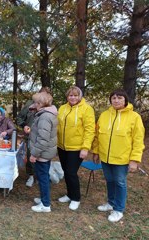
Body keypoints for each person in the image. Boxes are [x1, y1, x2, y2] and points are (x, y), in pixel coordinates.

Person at [92, 89, 144, 223]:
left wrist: (134, 160)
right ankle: (110, 203)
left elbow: (138, 140)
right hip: (105, 157)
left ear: (125, 100)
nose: (116, 100)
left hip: (122, 158)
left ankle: (118, 210)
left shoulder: (134, 117)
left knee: (120, 182)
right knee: (109, 180)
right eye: (113, 98)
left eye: (119, 98)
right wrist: (96, 152)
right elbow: (98, 135)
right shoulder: (104, 115)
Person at [57, 86, 95, 210]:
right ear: (67, 96)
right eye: (70, 95)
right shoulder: (63, 108)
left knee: (71, 172)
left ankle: (76, 198)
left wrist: (85, 148)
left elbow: (90, 130)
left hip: (77, 147)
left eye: (75, 95)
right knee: (65, 171)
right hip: (62, 146)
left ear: (80, 96)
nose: (72, 98)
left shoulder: (87, 109)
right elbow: (57, 126)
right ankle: (69, 194)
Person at [28, 92, 58, 213]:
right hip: (45, 152)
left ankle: (45, 205)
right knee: (42, 177)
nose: (34, 104)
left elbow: (43, 139)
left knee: (43, 178)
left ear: (41, 104)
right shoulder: (46, 113)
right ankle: (43, 199)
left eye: (36, 102)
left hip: (42, 153)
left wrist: (34, 154)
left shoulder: (45, 117)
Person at [17, 87, 51, 187]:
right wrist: (24, 126)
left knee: (42, 157)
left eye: (46, 95)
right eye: (42, 94)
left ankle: (41, 177)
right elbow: (19, 118)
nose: (43, 97)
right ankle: (31, 176)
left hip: (44, 137)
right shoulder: (29, 104)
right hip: (30, 136)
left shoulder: (50, 107)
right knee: (30, 156)